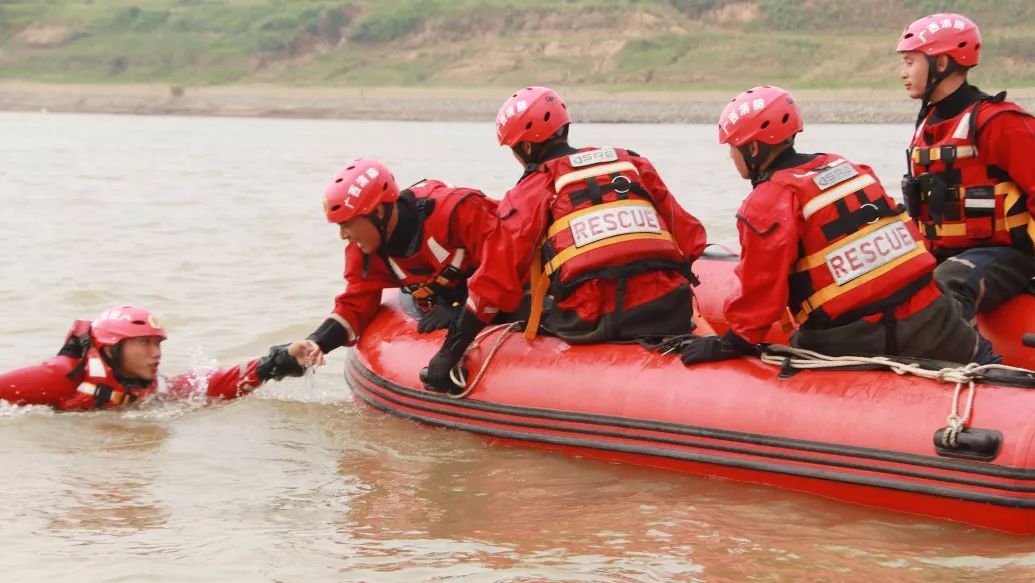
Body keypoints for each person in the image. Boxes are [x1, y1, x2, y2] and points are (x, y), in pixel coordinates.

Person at [679, 85, 996, 367]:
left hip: (853, 335)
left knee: (794, 371)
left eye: (732, 146)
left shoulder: (767, 201)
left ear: (753, 148)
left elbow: (761, 290)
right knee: (988, 363)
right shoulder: (845, 167)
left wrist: (731, 342)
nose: (731, 156)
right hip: (933, 316)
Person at [422, 85, 708, 392]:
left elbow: (494, 283)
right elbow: (692, 239)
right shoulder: (633, 163)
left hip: (595, 320)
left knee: (516, 304)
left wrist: (448, 354)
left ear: (527, 149)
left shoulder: (533, 188)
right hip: (671, 310)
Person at [896, 12, 1035, 326]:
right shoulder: (927, 124)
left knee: (948, 282)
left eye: (911, 62)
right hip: (942, 251)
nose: (903, 73)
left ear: (941, 64)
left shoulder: (1000, 122)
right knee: (888, 283)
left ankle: (976, 360)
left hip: (1004, 255)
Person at [295, 158, 498, 366]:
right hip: (449, 300)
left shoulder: (459, 212)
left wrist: (463, 311)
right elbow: (356, 304)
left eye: (346, 224)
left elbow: (507, 266)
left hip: (500, 299)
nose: (343, 235)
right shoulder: (365, 251)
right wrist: (317, 341)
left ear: (378, 212)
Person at [0, 305, 308, 411]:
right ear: (111, 347)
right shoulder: (61, 374)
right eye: (144, 343)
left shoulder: (151, 388)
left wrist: (276, 363)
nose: (156, 353)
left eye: (158, 343)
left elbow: (213, 384)